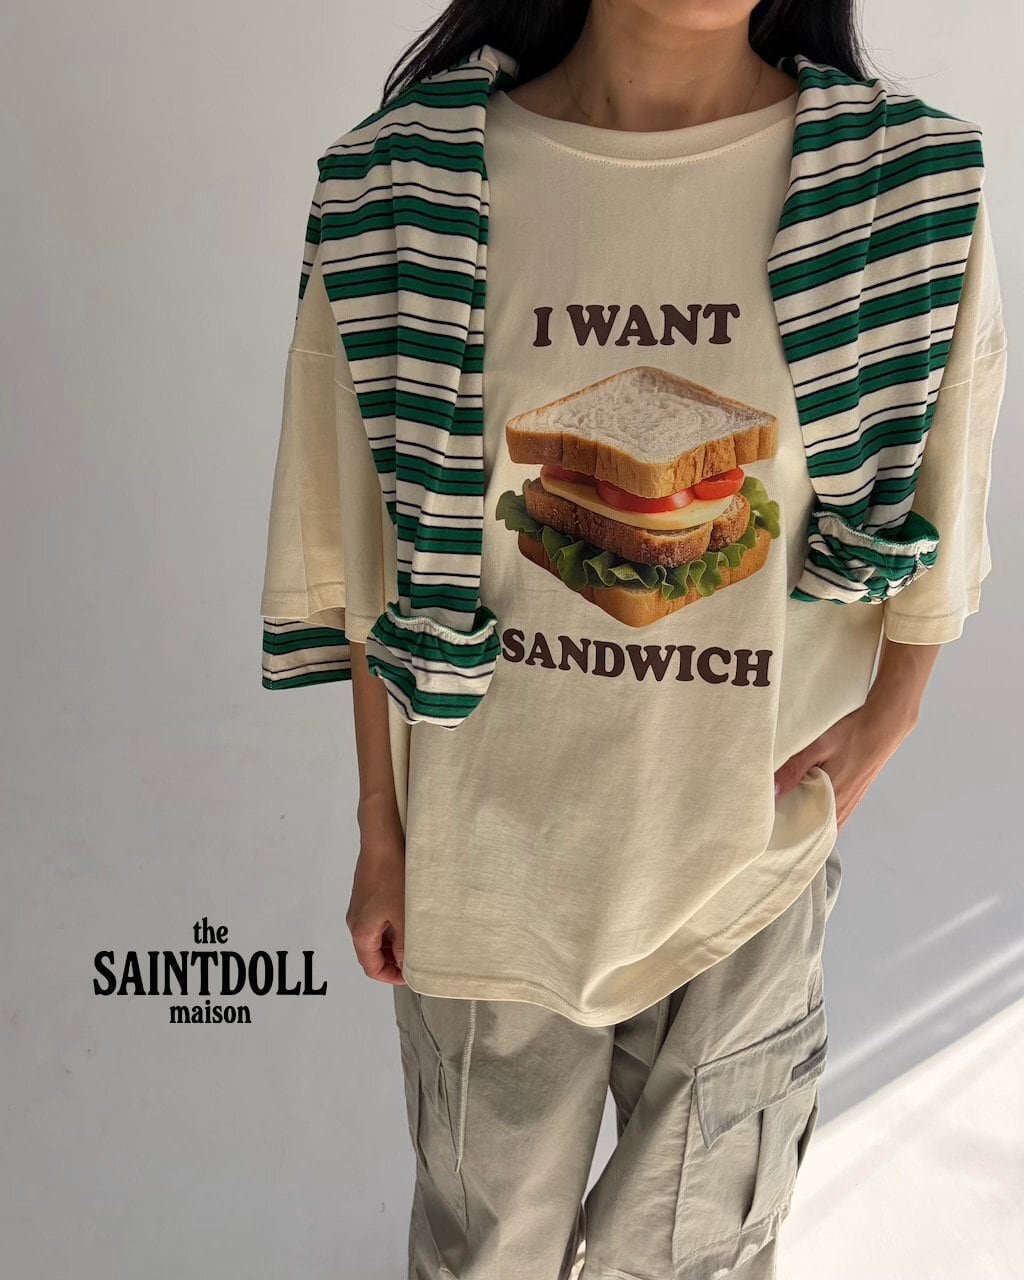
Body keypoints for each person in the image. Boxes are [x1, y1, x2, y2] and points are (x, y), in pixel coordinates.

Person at [259, 2, 1007, 1276]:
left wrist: (893, 710)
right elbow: (364, 544)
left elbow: (952, 465)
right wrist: (382, 824)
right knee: (486, 1250)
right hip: (486, 847)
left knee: (696, 1249)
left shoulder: (901, 183)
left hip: (743, 841)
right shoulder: (399, 186)